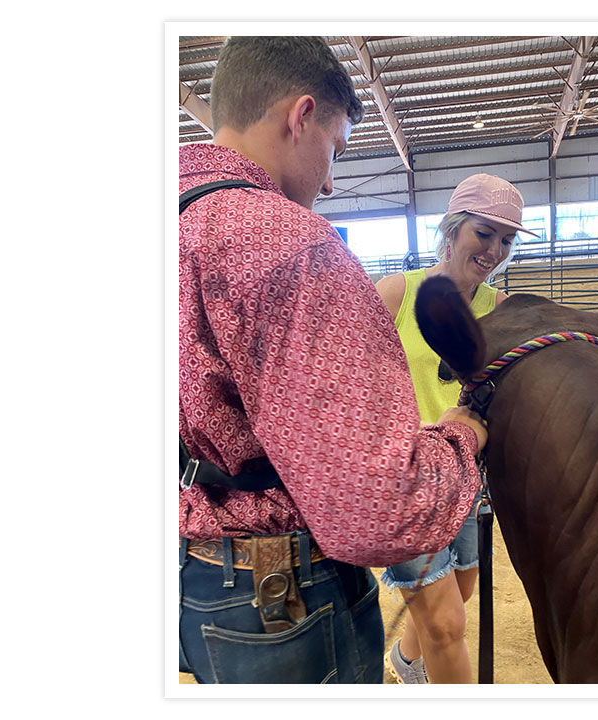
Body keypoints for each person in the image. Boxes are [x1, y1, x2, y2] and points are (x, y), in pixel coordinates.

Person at [176, 36, 489, 685]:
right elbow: (380, 509)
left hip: (191, 566)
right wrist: (465, 435)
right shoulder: (290, 247)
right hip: (279, 595)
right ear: (301, 116)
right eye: (336, 149)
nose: (331, 178)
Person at [372, 173, 538, 683]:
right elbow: (357, 383)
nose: (494, 249)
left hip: (470, 476)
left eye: (506, 239)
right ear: (452, 228)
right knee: (446, 623)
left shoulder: (503, 311)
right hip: (406, 482)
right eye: (483, 233)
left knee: (461, 590)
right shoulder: (397, 293)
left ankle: (405, 660)